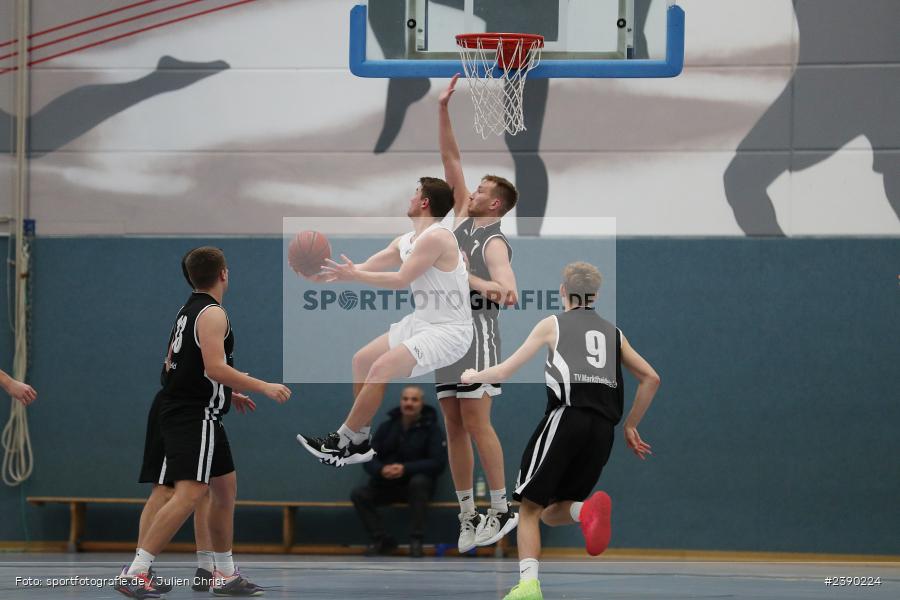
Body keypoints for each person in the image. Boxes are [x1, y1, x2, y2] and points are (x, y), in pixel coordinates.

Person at [461, 262, 661, 600]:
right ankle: (586, 512)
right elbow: (651, 378)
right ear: (596, 295)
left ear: (563, 292)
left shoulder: (553, 324)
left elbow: (506, 370)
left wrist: (471, 375)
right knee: (552, 512)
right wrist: (631, 425)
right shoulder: (614, 333)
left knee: (526, 509)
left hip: (565, 418)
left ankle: (527, 587)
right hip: (603, 430)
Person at [115, 247, 291, 599]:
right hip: (194, 414)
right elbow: (213, 367)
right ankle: (135, 571)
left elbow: (186, 366)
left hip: (189, 407)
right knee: (190, 491)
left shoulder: (188, 310)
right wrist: (262, 386)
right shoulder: (213, 314)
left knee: (224, 489)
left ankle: (223, 573)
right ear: (224, 273)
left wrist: (226, 393)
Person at [296, 177, 473, 468]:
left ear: (425, 202)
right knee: (362, 360)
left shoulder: (438, 237)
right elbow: (362, 268)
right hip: (422, 322)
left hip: (449, 331)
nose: (411, 198)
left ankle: (339, 441)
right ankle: (360, 440)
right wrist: (324, 275)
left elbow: (401, 279)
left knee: (381, 368)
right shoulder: (406, 240)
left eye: (415, 193)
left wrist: (354, 275)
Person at [436, 75, 520, 553]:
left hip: (477, 335)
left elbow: (507, 292)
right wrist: (442, 109)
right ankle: (468, 515)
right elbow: (452, 160)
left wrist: (468, 280)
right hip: (447, 334)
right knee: (453, 424)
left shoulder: (492, 240)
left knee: (476, 421)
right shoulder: (463, 222)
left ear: (495, 203)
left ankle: (501, 506)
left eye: (480, 189)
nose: (471, 190)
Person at [350, 385, 447, 558]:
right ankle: (382, 540)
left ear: (421, 404)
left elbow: (438, 463)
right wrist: (381, 470)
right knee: (359, 494)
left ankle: (416, 540)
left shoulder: (432, 430)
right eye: (405, 399)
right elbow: (367, 456)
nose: (409, 403)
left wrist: (405, 469)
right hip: (387, 485)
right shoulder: (387, 427)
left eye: (414, 399)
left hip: (417, 490)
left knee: (419, 482)